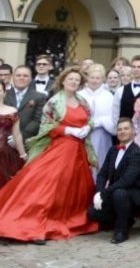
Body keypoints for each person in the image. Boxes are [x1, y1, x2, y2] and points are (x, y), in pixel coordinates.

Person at [0, 65, 100, 242]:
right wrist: (67, 130)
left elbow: (89, 119)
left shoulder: (83, 101)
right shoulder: (54, 102)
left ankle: (65, 219)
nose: (74, 82)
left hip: (79, 151)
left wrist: (87, 127)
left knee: (70, 189)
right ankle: (33, 224)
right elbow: (47, 127)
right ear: (63, 81)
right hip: (60, 149)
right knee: (47, 187)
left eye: (77, 80)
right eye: (71, 79)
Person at [87, 117, 140, 244]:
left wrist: (104, 194)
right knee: (92, 213)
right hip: (115, 191)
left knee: (119, 193)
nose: (122, 131)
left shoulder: (137, 153)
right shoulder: (113, 150)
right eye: (119, 129)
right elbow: (102, 174)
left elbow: (126, 181)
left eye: (126, 128)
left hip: (135, 194)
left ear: (133, 131)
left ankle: (122, 231)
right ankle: (124, 220)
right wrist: (99, 192)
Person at [79, 64, 116, 168]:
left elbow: (112, 118)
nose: (94, 81)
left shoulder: (108, 96)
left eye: (97, 78)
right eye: (92, 77)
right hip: (82, 134)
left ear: (102, 79)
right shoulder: (80, 95)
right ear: (87, 78)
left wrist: (98, 122)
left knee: (99, 161)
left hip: (101, 134)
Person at [4, 64, 47, 141]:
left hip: (28, 140)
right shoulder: (4, 94)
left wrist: (20, 137)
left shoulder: (40, 97)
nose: (21, 78)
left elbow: (37, 120)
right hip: (4, 139)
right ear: (13, 77)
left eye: (25, 76)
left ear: (31, 79)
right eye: (18, 75)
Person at [0, 89, 26, 190]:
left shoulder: (12, 111)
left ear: (4, 92)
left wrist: (23, 154)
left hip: (5, 153)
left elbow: (17, 134)